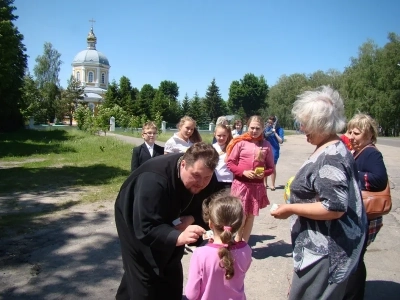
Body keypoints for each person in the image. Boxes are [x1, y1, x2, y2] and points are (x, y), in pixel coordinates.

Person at [270, 86, 367, 300]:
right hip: (324, 248)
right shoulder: (330, 146)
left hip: (326, 253)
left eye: (305, 124)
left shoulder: (331, 156)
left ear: (322, 124)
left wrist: (290, 208)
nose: (302, 128)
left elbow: (334, 207)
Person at [114, 142, 219, 300]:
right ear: (183, 164)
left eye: (207, 177)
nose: (202, 183)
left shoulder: (206, 176)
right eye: (196, 176)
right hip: (136, 218)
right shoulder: (153, 179)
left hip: (173, 217)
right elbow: (145, 226)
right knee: (144, 273)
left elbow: (210, 206)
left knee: (171, 269)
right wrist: (178, 237)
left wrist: (192, 218)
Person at [343, 113, 388, 300]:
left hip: (366, 217)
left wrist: (350, 175)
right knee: (353, 257)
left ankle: (354, 295)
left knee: (355, 259)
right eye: (350, 132)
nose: (351, 137)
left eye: (357, 133)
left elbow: (379, 179)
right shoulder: (358, 151)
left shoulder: (371, 152)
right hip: (358, 214)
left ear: (369, 135)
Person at [185, 192, 252, 300]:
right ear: (239, 224)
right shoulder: (246, 250)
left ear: (210, 223)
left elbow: (191, 294)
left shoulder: (200, 254)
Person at [226, 115, 274, 243]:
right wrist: (243, 172)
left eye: (258, 128)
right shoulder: (240, 142)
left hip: (256, 186)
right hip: (241, 184)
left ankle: (244, 243)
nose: (254, 131)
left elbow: (271, 168)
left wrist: (263, 174)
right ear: (247, 127)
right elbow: (230, 163)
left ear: (263, 128)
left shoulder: (266, 145)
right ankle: (236, 239)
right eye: (252, 128)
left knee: (251, 216)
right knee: (240, 214)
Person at [263, 115, 284, 191]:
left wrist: (275, 132)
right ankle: (265, 184)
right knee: (264, 167)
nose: (270, 124)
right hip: (266, 149)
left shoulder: (280, 129)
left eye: (271, 123)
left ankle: (273, 184)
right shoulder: (267, 128)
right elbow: (263, 137)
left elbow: (281, 141)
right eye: (269, 122)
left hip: (274, 149)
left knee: (272, 167)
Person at [213, 124, 234, 191]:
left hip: (227, 181)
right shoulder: (211, 148)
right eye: (219, 135)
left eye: (224, 135)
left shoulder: (231, 147)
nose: (221, 138)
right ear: (215, 134)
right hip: (213, 180)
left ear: (227, 135)